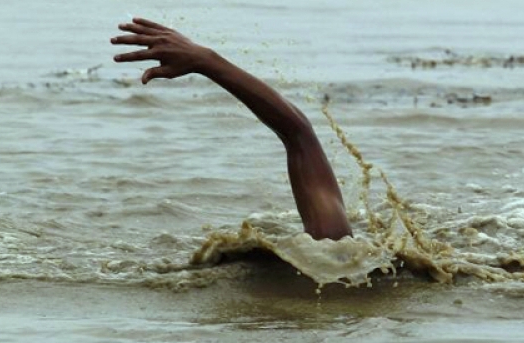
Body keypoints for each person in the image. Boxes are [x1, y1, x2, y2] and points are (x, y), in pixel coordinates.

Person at [111, 18, 353, 241]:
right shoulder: (335, 254)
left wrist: (205, 60)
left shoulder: (334, 252)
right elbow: (299, 135)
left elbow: (298, 134)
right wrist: (205, 60)